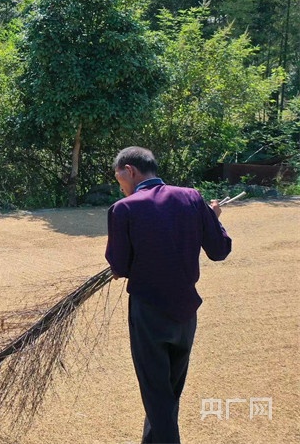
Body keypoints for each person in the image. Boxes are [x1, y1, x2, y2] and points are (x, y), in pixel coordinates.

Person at [105, 147, 232, 444]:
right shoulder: (191, 198)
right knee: (167, 393)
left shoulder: (123, 208)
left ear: (129, 170)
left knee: (157, 394)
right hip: (186, 311)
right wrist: (212, 219)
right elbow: (220, 250)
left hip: (149, 313)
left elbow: (120, 267)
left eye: (118, 178)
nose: (120, 185)